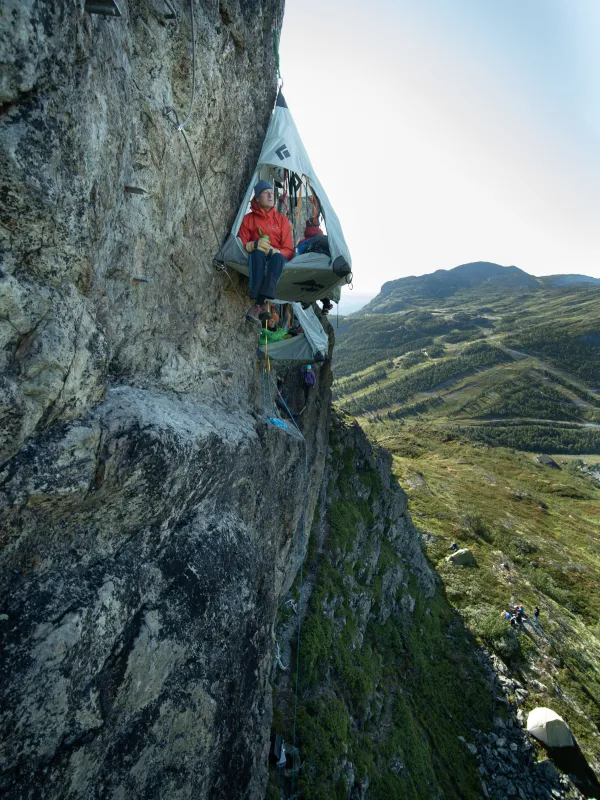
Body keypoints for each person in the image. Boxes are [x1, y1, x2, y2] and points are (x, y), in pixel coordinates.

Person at [238, 180, 294, 324]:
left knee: (277, 258)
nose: (270, 196)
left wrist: (275, 250)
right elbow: (241, 243)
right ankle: (263, 307)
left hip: (276, 257)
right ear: (257, 198)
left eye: (272, 193)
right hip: (257, 257)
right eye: (265, 193)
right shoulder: (248, 219)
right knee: (257, 253)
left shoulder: (282, 220)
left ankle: (259, 304)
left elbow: (288, 250)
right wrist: (253, 244)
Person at [296, 217, 334, 315]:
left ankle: (306, 300)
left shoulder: (302, 242)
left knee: (309, 283)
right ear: (318, 227)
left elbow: (298, 254)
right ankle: (326, 303)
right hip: (324, 264)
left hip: (307, 264)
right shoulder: (324, 238)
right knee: (322, 283)